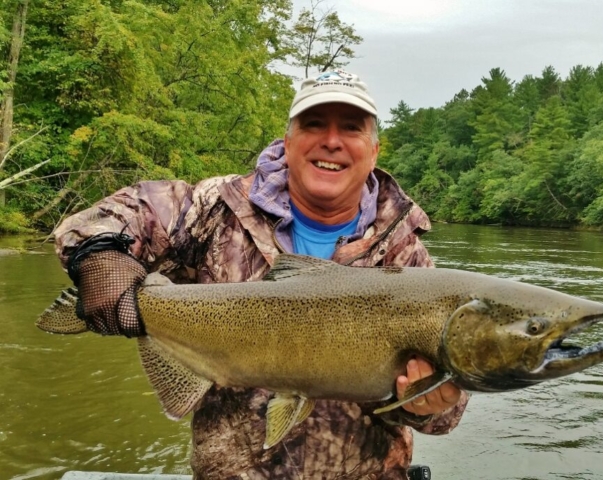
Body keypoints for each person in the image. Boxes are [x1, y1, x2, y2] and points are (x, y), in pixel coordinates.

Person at [54, 70, 469, 479]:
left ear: (374, 151)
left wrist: (430, 404)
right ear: (287, 143)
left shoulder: (406, 254)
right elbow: (122, 212)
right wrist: (101, 260)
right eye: (314, 124)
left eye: (351, 127)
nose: (331, 140)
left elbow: (444, 420)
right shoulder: (217, 207)